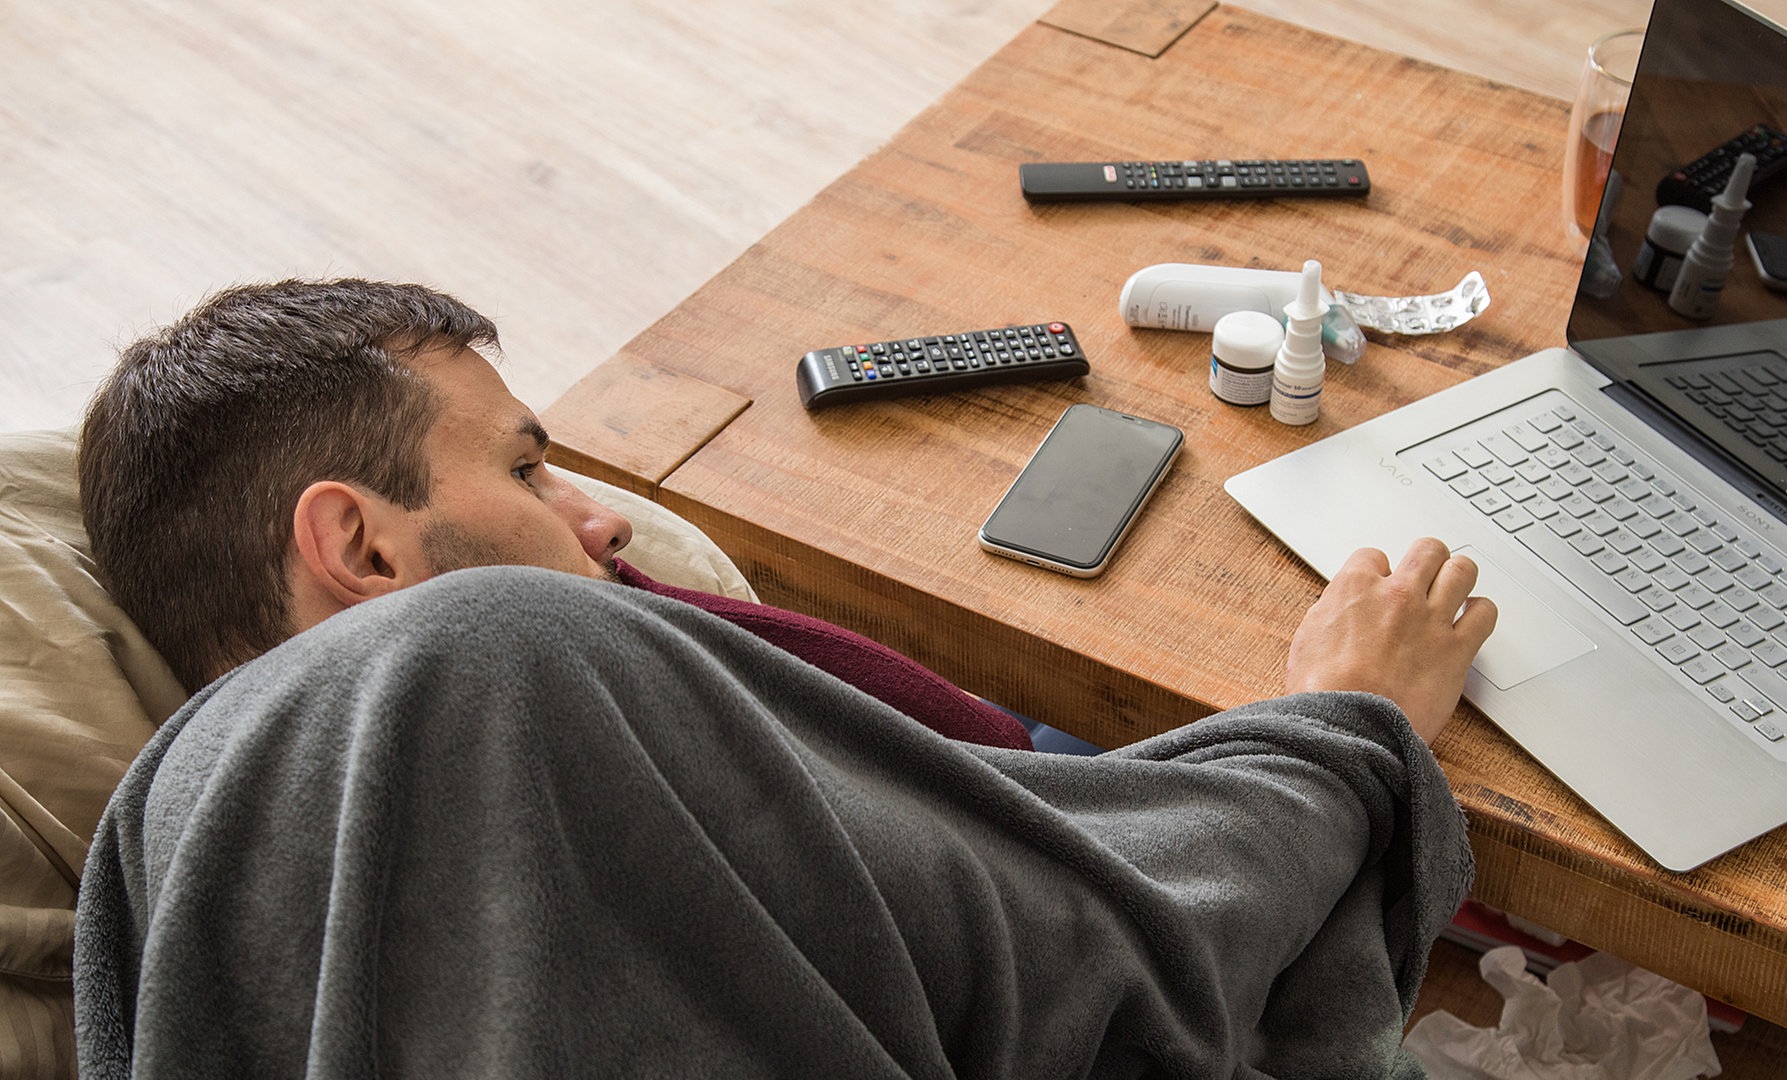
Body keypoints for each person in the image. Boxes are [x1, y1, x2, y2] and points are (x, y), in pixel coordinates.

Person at [71, 279, 1496, 1077]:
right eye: (522, 466)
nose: (602, 519)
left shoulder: (150, 852)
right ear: (357, 548)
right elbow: (1119, 960)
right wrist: (1343, 726)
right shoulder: (484, 660)